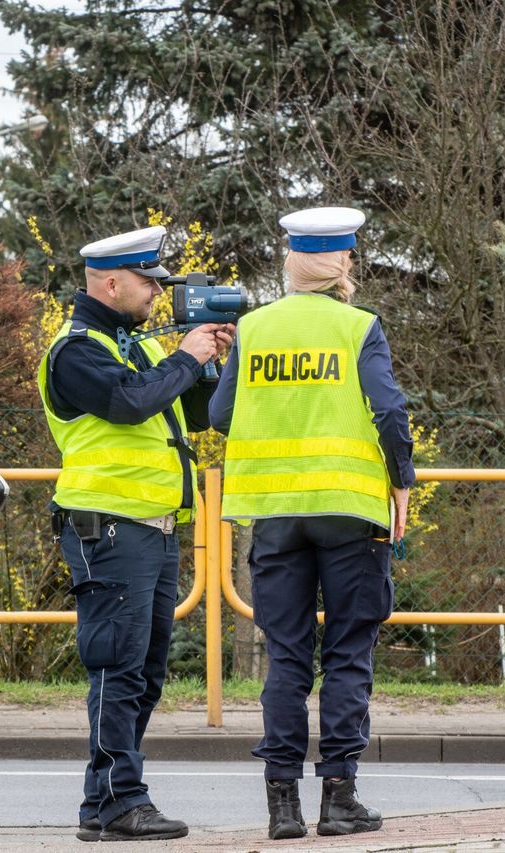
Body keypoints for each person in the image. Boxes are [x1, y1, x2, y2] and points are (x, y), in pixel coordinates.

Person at [209, 206, 415, 840]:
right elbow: (389, 411)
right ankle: (339, 799)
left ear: (292, 263)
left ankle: (281, 807)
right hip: (350, 513)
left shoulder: (253, 328)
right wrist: (402, 482)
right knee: (348, 652)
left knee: (288, 658)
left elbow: (220, 415)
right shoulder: (359, 327)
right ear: (341, 264)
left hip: (275, 516)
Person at [37, 224, 234, 842]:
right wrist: (186, 356)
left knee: (144, 674)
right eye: (148, 281)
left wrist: (214, 361)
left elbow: (200, 415)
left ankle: (103, 803)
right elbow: (128, 403)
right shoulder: (76, 351)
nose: (157, 292)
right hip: (109, 530)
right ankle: (121, 800)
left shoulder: (136, 348)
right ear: (111, 284)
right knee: (118, 669)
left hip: (152, 530)